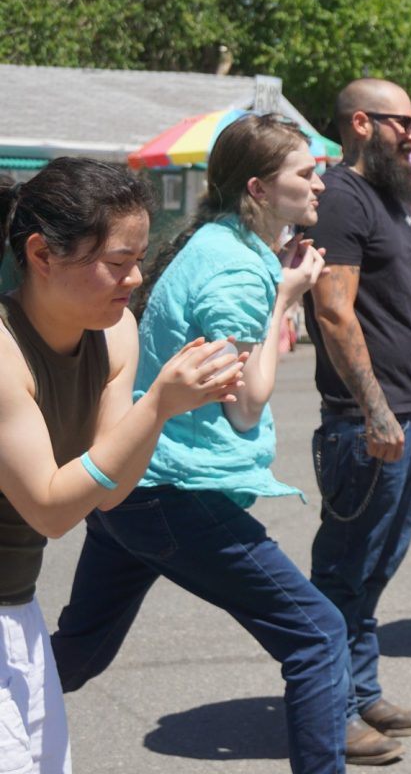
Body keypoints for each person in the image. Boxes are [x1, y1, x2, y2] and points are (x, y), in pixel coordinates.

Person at [49, 117, 357, 773]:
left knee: (78, 651)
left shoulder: (216, 241)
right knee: (319, 634)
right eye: (305, 172)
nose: (319, 182)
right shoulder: (241, 271)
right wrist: (284, 295)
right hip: (169, 490)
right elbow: (245, 407)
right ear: (259, 187)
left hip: (133, 482)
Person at [0, 161, 239, 774]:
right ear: (42, 255)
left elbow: (108, 491)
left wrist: (156, 411)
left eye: (140, 257)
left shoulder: (116, 331)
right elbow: (53, 509)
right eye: (116, 261)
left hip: (16, 605)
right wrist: (158, 403)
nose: (134, 277)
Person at [303, 79, 411, 760]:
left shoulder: (388, 200)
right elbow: (333, 311)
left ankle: (360, 692)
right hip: (368, 419)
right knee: (344, 570)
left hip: (409, 406)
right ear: (362, 123)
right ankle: (329, 711)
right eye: (405, 124)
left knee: (378, 566)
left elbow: (381, 302)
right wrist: (375, 411)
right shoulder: (339, 197)